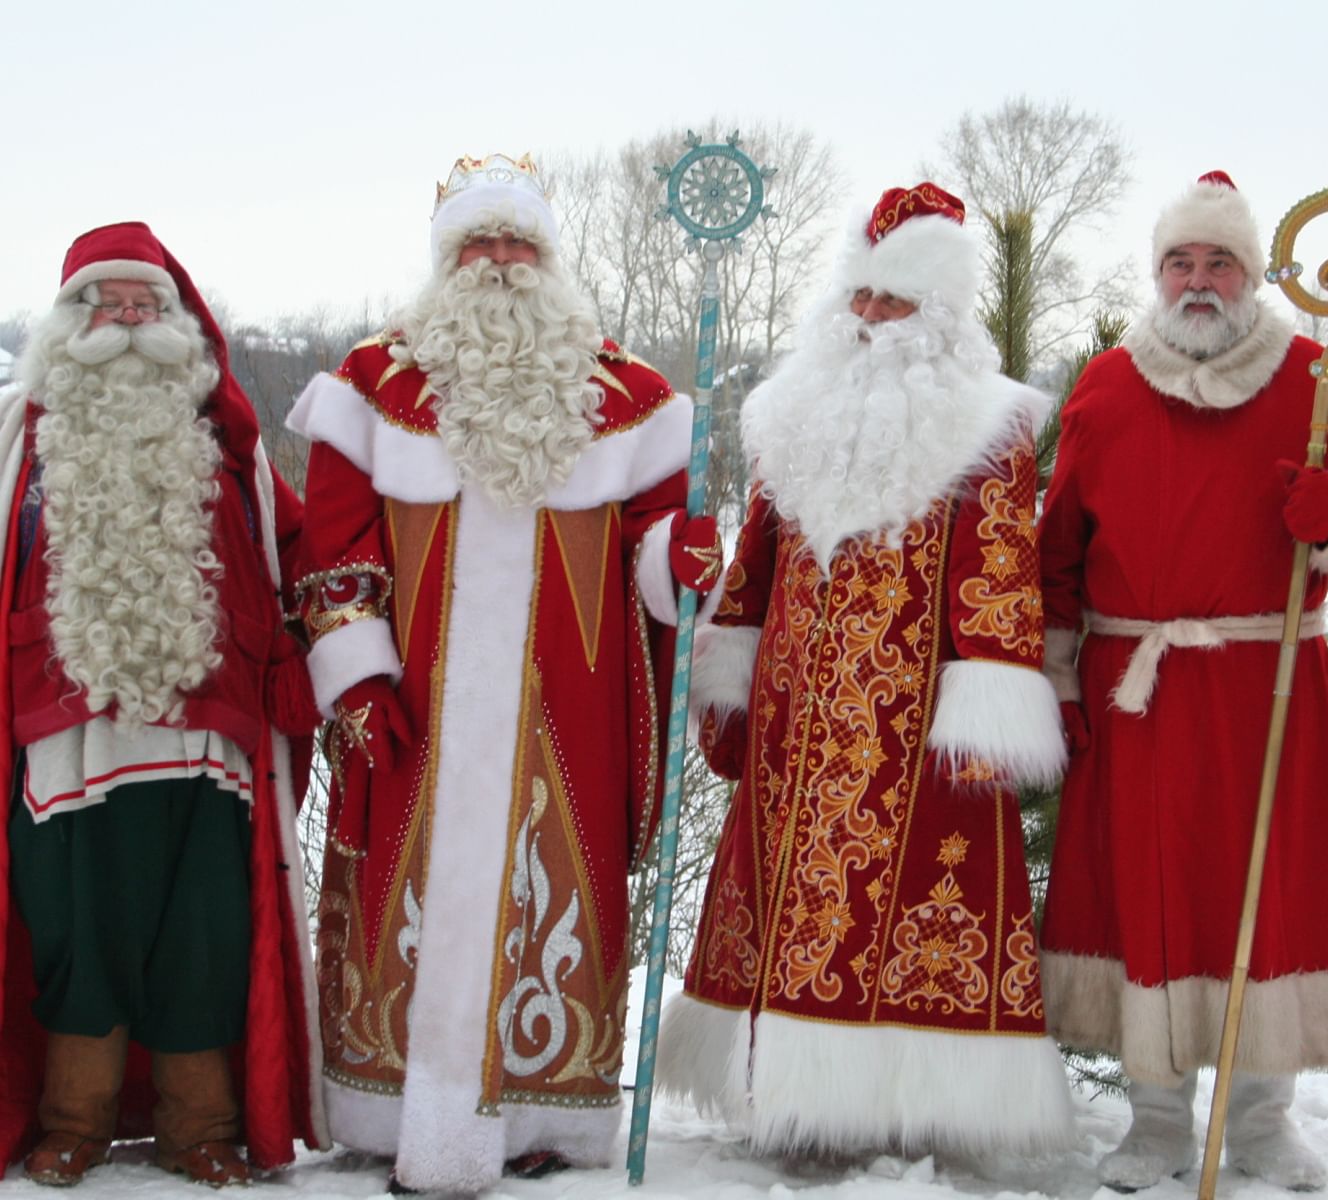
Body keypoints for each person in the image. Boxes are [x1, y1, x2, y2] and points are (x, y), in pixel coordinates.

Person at [287, 153, 719, 1195]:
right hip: (414, 709)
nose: (497, 261)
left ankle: (543, 1118)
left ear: (550, 257)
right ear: (445, 260)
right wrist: (356, 682)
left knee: (554, 898)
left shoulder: (636, 400)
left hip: (562, 717)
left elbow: (656, 560)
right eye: (477, 243)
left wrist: (685, 558)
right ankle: (389, 1115)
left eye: (516, 242)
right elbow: (335, 554)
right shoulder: (370, 387)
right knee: (410, 891)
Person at [656, 182, 1076, 1164]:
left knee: (905, 911)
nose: (876, 319)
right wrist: (722, 655)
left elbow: (999, 575)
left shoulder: (988, 423)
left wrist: (986, 706)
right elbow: (753, 558)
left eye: (898, 303)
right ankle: (794, 1100)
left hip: (914, 720)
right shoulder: (783, 413)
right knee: (795, 903)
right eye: (864, 298)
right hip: (798, 718)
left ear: (938, 314)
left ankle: (900, 1108)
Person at [1037, 171, 1328, 1192]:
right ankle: (1152, 1121)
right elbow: (1055, 547)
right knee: (1147, 890)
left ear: (1250, 276)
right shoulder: (1105, 384)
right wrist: (1056, 679)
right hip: (1133, 687)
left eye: (1217, 262)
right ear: (1156, 276)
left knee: (1265, 887)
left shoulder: (1315, 381)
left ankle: (1262, 1119)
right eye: (1179, 263)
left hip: (1263, 679)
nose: (1197, 280)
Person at [0, 223, 326, 1187]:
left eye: (147, 305)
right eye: (110, 303)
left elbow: (303, 561)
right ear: (72, 321)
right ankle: (73, 1118)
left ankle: (201, 1126)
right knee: (71, 928)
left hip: (206, 738)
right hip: (66, 734)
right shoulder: (19, 442)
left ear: (178, 322)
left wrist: (324, 651)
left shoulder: (232, 453)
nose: (130, 320)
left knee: (206, 932)